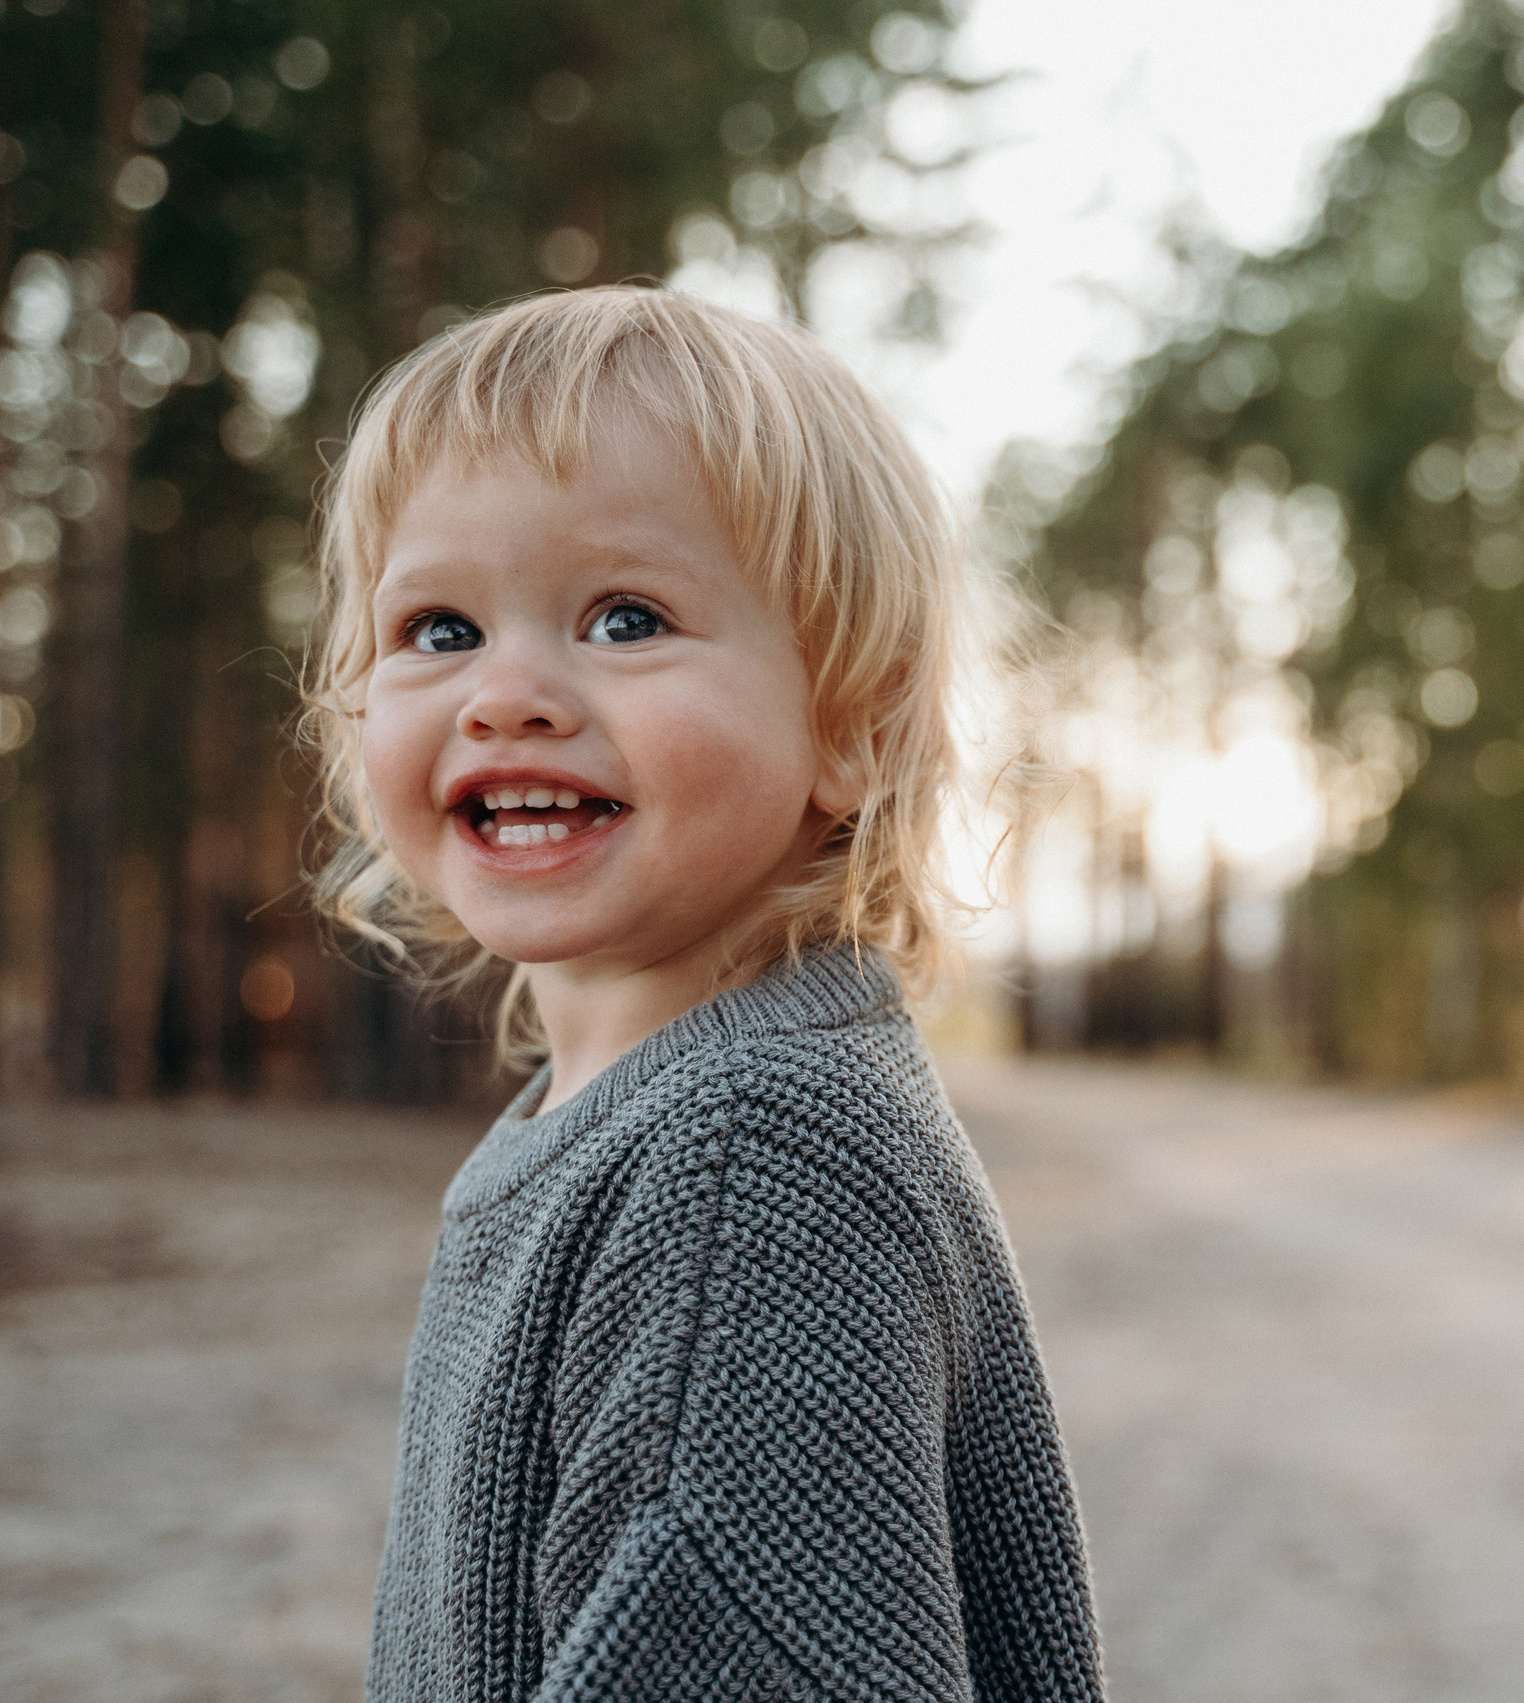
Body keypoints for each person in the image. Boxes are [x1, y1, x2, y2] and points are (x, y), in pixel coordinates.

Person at [304, 287, 1105, 1702]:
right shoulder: (631, 1117)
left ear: (854, 723)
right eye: (438, 628)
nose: (505, 694)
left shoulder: (747, 1160)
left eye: (625, 618)